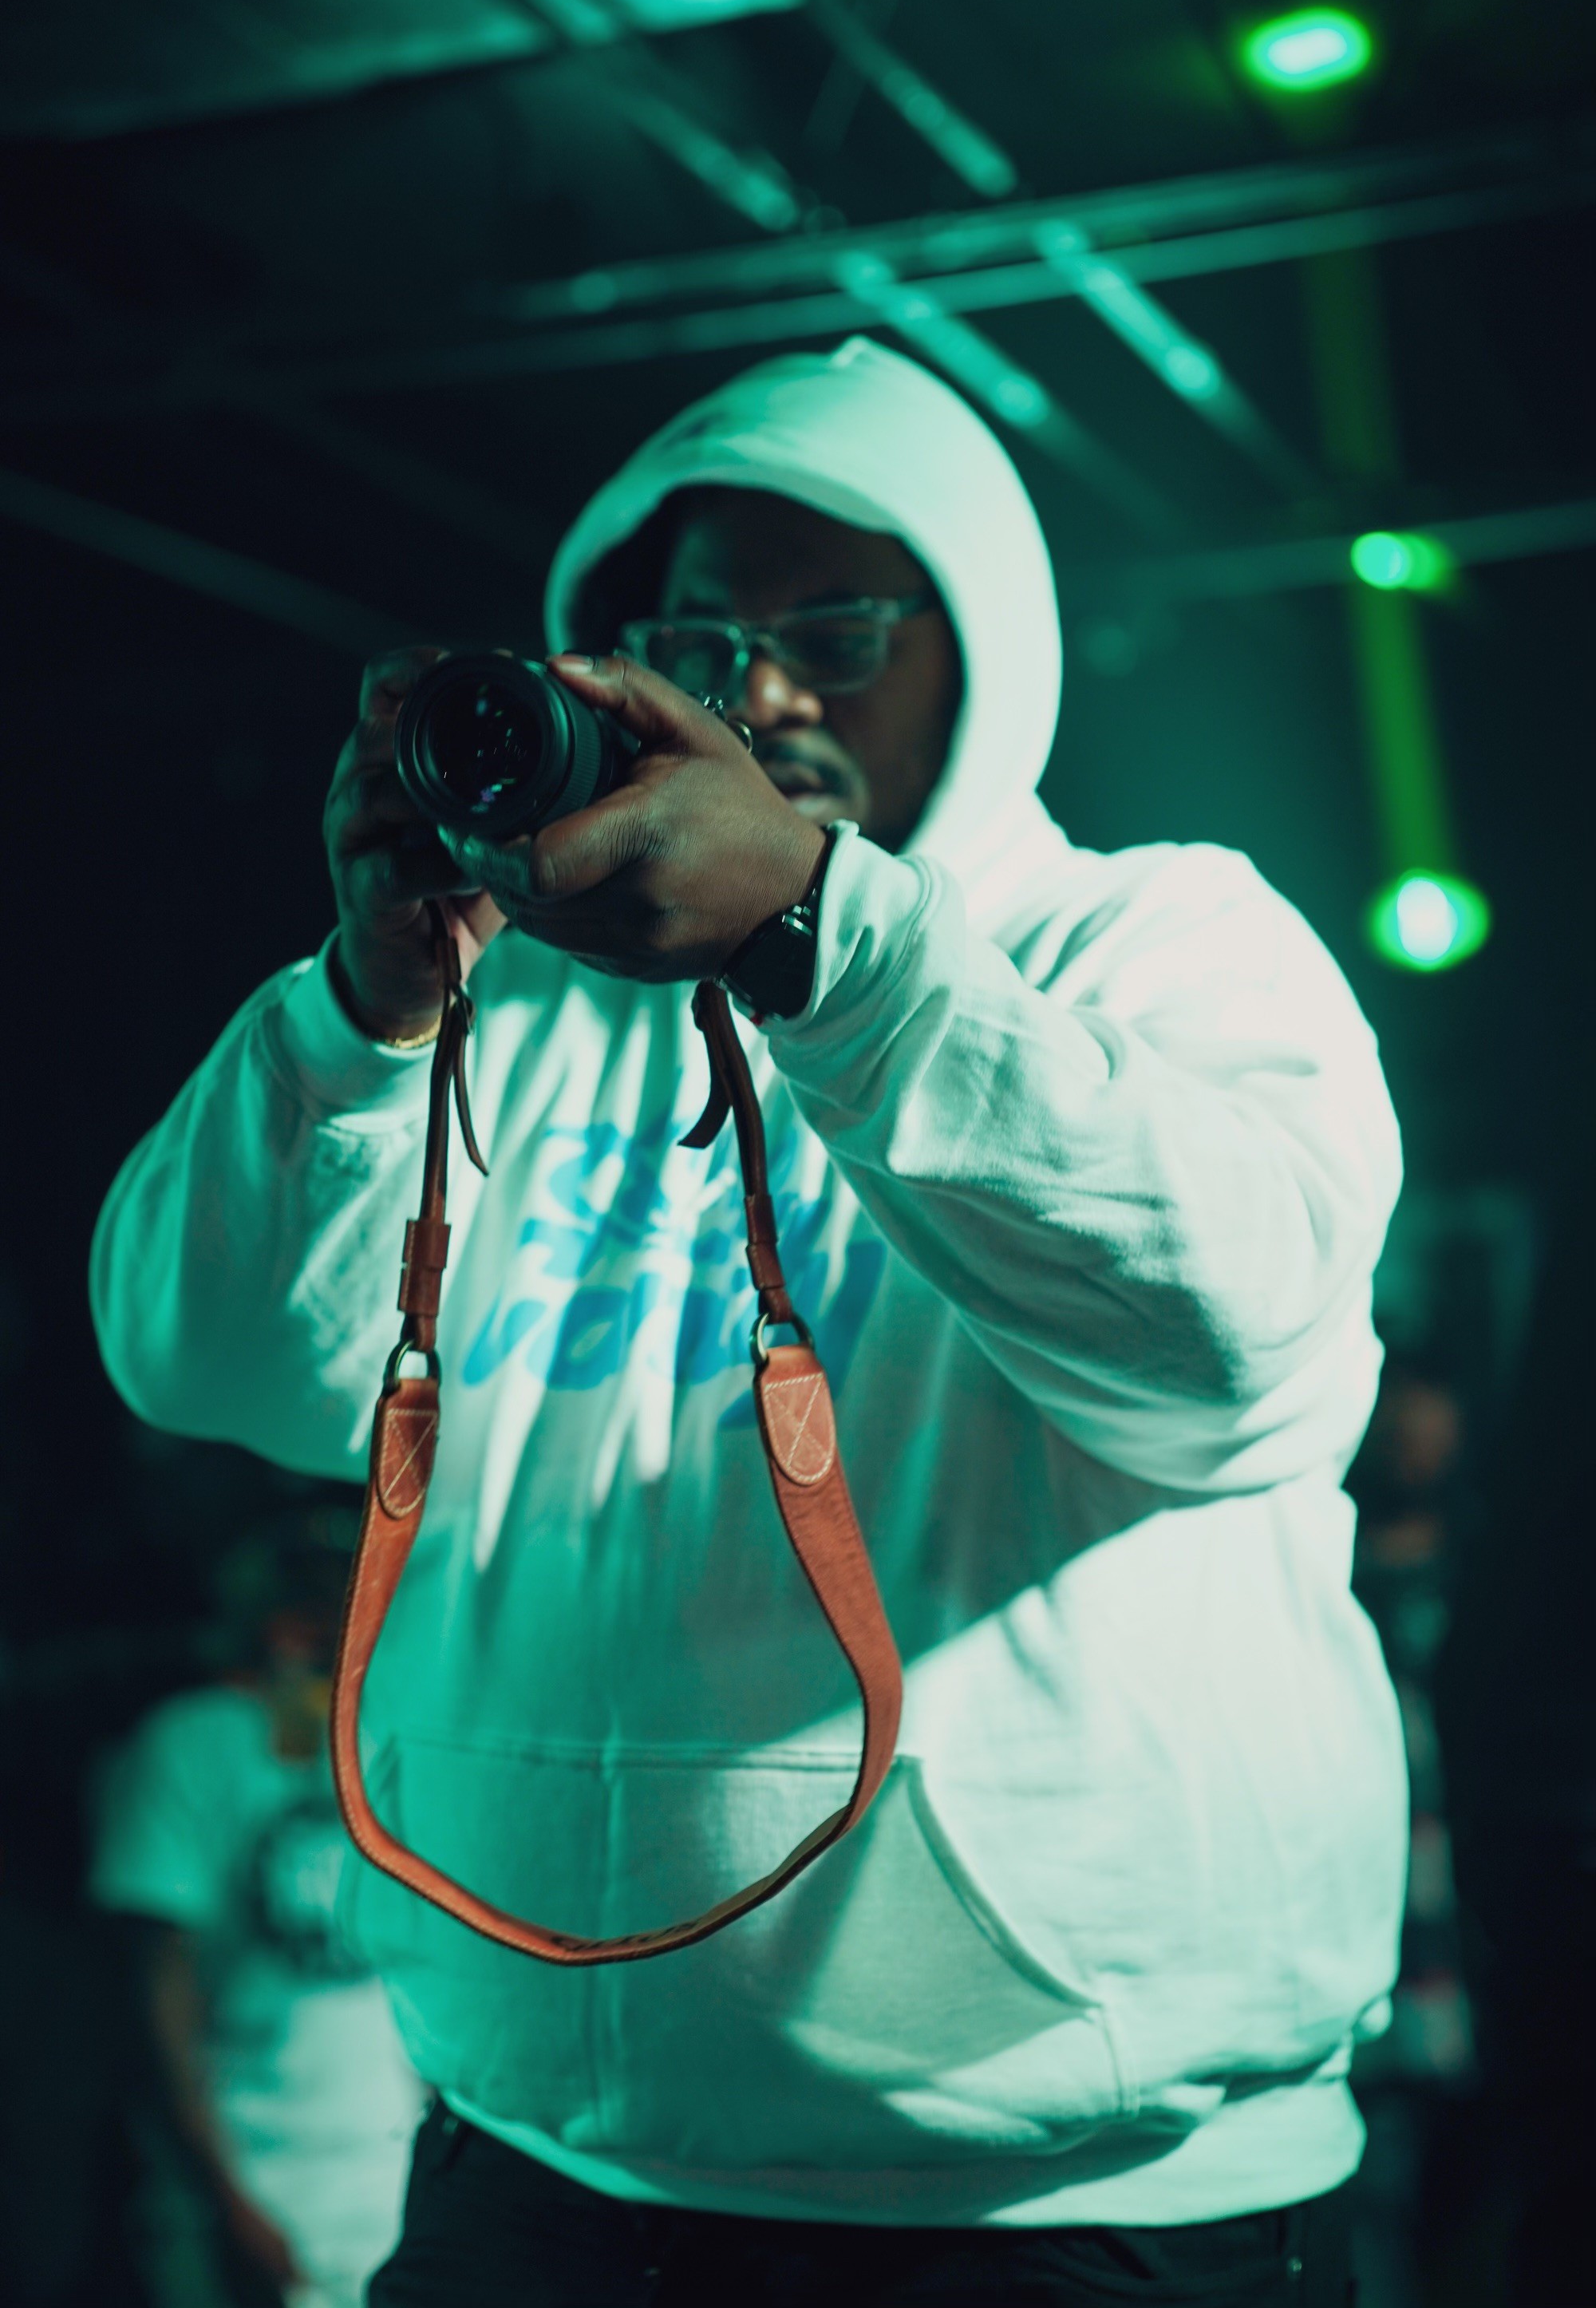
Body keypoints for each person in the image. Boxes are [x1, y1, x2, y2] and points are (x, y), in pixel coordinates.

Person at [92, 338, 1407, 2305]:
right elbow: (203, 1355)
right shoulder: (510, 1015)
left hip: (1055, 2201)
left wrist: (820, 938)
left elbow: (1232, 1349)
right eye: (696, 629)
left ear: (982, 649)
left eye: (838, 623)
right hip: (529, 2158)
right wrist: (357, 1010)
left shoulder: (1149, 940)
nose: (763, 682)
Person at [90, 1521, 424, 2308]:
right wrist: (220, 2193)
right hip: (254, 2162)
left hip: (395, 2166)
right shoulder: (192, 1740)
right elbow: (154, 1984)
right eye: (304, 1596)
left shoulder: (390, 1732)